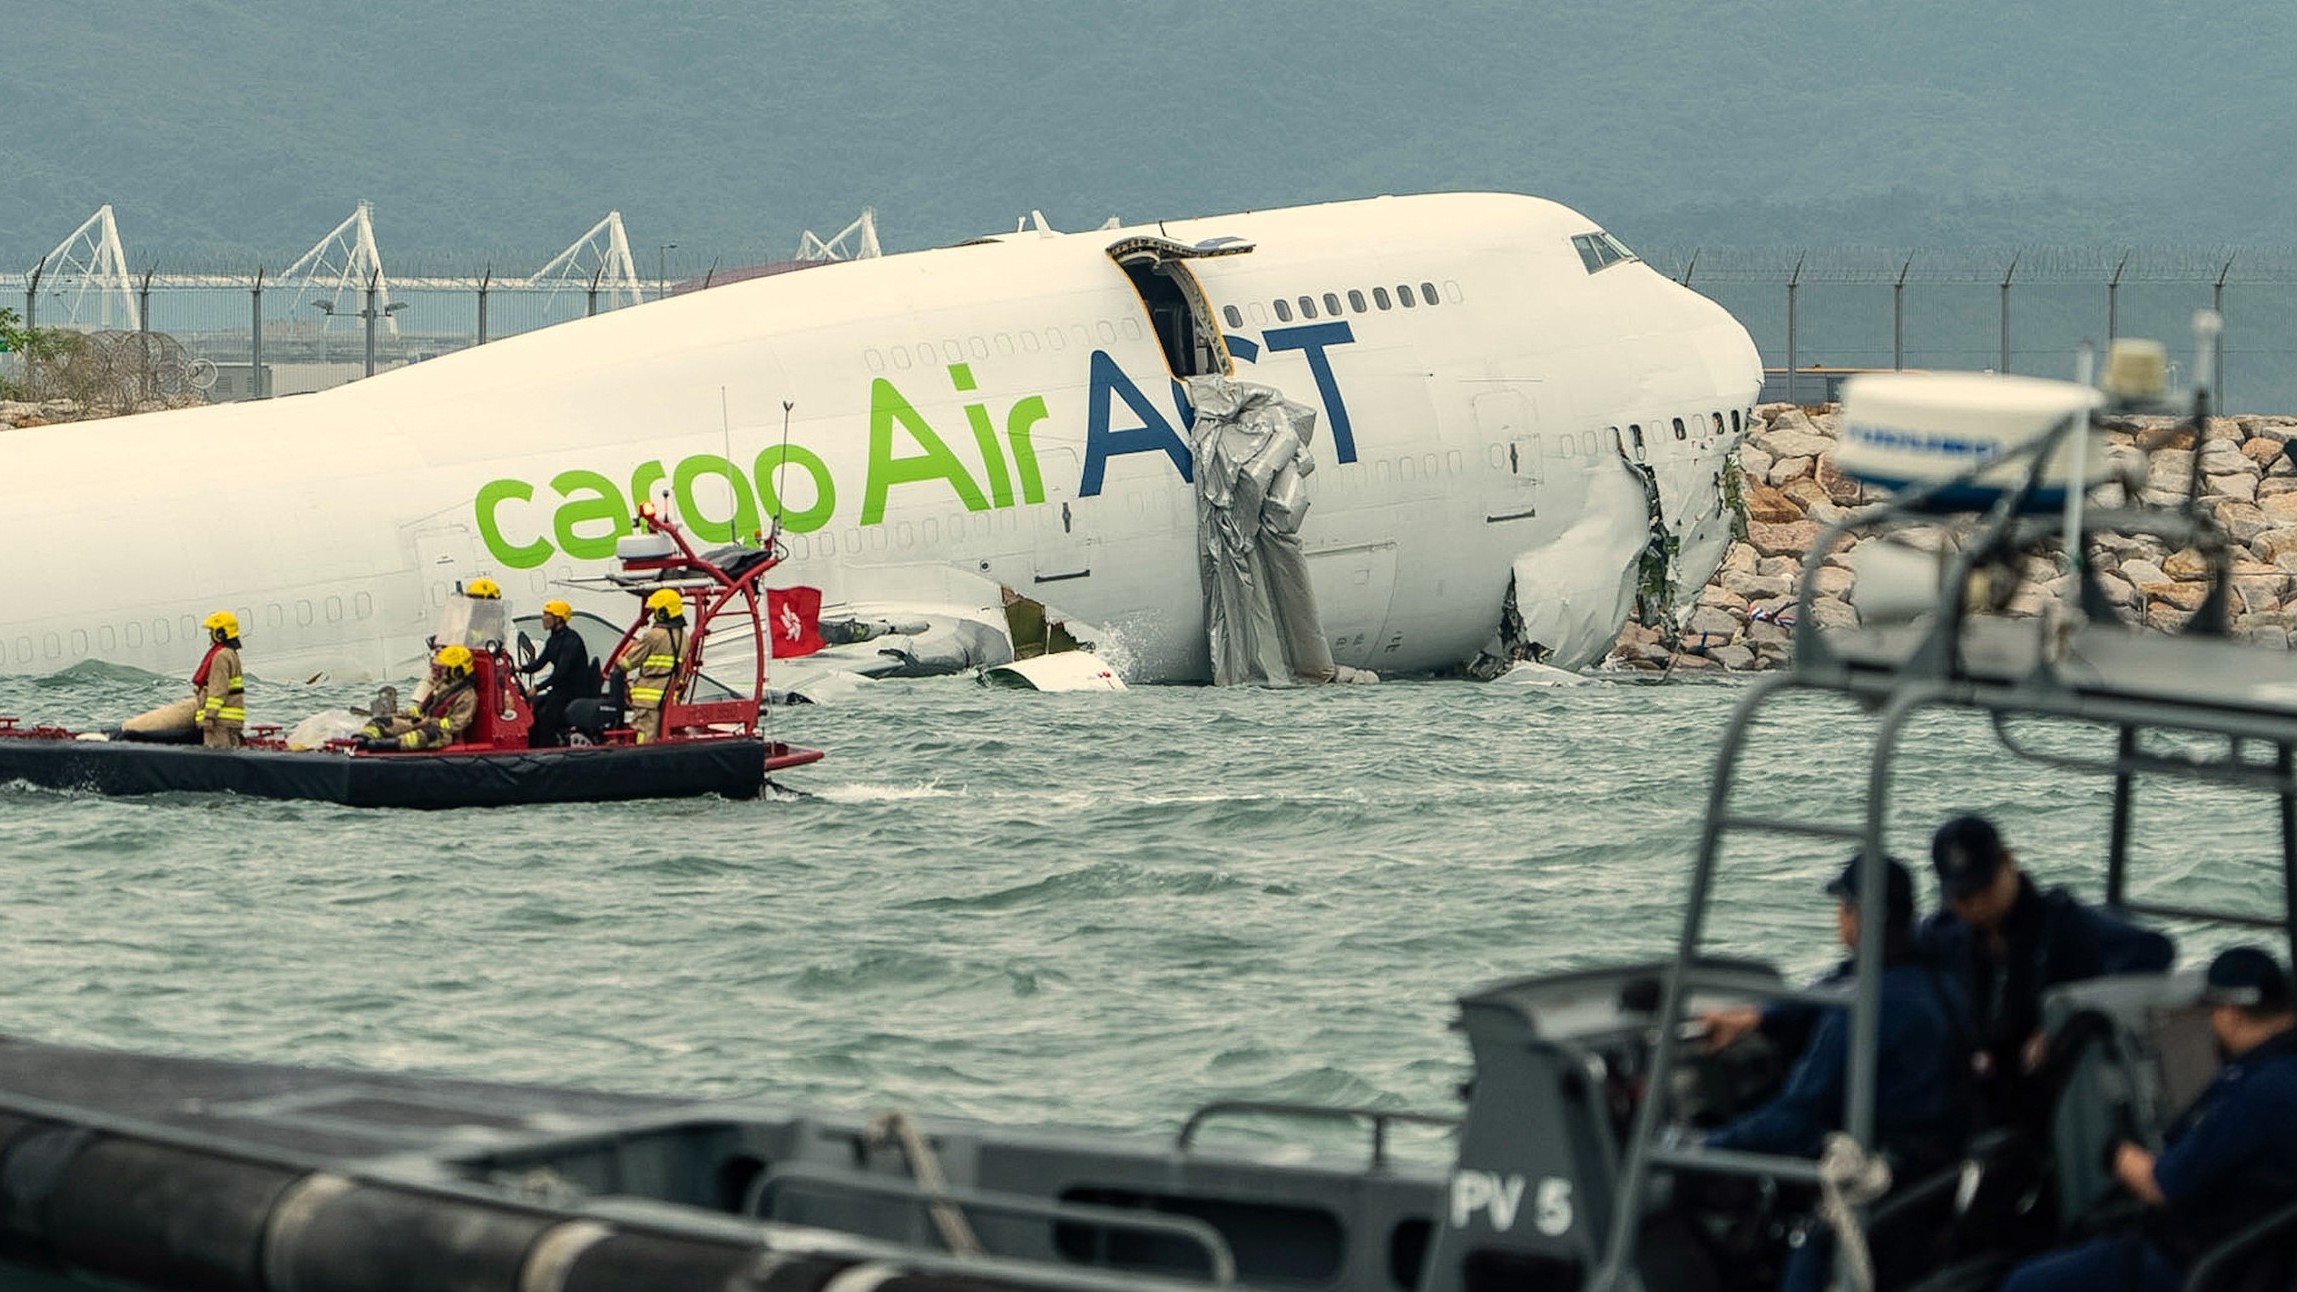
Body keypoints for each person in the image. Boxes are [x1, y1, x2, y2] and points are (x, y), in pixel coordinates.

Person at [1698, 856, 1971, 1292]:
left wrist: (1701, 1147)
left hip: (1887, 1188)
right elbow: (1837, 985)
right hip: (1939, 1175)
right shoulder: (1938, 980)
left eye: (1844, 907)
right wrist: (1760, 1018)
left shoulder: (1859, 1012)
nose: (1838, 918)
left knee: (1804, 1231)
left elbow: (1793, 1120)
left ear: (1863, 915)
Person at [2000, 946, 2297, 1292]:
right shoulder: (2275, 1074)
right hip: (2259, 1254)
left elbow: (2162, 1184)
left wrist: (2116, 1152)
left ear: (2230, 1015)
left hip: (2200, 1263)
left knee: (2024, 1283)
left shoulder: (2256, 1093)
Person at [1917, 814, 2175, 1130]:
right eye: (1963, 897)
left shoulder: (2061, 922)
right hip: (1974, 1092)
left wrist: (2066, 1014)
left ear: (2009, 862)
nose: (1976, 904)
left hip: (2049, 1096)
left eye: (1984, 888)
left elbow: (2153, 950)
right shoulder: (1946, 934)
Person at [358, 645, 479, 752]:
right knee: (381, 721)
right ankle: (361, 741)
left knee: (420, 737)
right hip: (422, 721)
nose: (436, 672)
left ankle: (389, 745)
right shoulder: (442, 685)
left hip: (443, 734)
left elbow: (456, 723)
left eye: (441, 669)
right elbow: (422, 708)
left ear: (456, 671)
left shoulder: (467, 696)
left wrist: (430, 723)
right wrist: (404, 715)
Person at [616, 588, 686, 743]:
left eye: (656, 610)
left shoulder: (653, 635)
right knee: (662, 734)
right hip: (669, 696)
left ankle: (640, 761)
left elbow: (627, 663)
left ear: (664, 612)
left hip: (648, 697)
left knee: (645, 733)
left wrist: (619, 659)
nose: (654, 614)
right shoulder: (684, 637)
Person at [520, 598, 592, 747]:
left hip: (573, 691)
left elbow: (561, 673)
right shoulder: (553, 640)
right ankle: (532, 747)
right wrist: (520, 668)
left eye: (547, 615)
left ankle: (549, 749)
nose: (543, 618)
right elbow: (540, 663)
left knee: (546, 714)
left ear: (558, 619)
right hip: (559, 690)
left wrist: (537, 688)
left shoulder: (571, 640)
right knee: (533, 707)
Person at [193, 610, 247, 749]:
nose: (210, 635)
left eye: (212, 631)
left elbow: (218, 690)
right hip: (230, 721)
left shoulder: (220, 656)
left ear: (220, 633)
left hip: (220, 722)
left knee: (217, 762)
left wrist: (209, 717)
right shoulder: (231, 653)